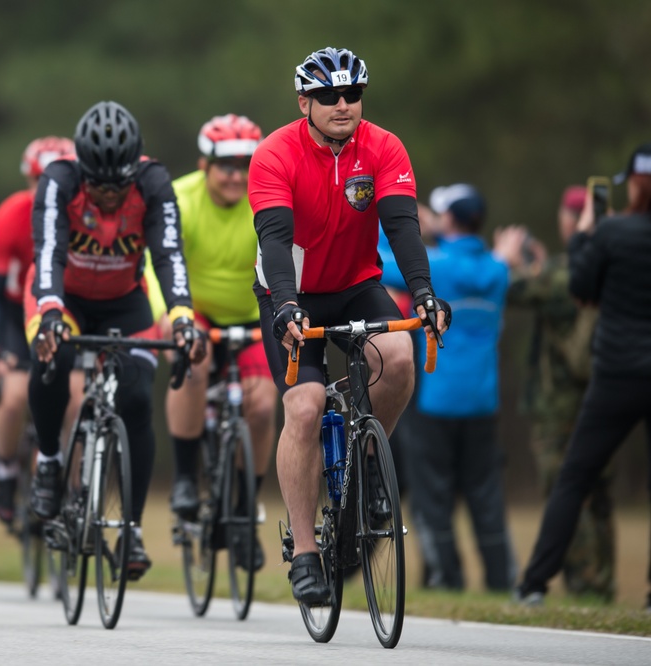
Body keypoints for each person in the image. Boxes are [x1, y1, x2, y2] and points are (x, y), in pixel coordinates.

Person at [248, 47, 450, 605]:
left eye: (352, 95)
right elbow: (275, 239)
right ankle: (307, 553)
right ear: (304, 102)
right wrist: (287, 306)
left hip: (357, 283)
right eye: (328, 96)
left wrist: (426, 294)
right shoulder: (274, 154)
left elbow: (404, 228)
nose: (342, 105)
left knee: (402, 357)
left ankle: (364, 468)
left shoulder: (384, 147)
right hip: (292, 291)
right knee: (306, 407)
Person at [26, 100, 205, 580]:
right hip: (61, 297)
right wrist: (49, 314)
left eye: (117, 185)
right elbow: (48, 255)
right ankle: (48, 460)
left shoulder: (153, 184)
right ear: (82, 169)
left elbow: (169, 255)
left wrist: (183, 316)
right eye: (98, 186)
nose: (108, 196)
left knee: (135, 399)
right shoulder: (59, 181)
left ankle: (131, 526)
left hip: (126, 300)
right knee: (53, 359)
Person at [516, 143, 651, 608]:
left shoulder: (612, 232)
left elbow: (581, 286)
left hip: (616, 373)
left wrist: (587, 235)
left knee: (574, 477)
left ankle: (534, 582)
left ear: (633, 184)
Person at [383, 184, 517, 591]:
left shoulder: (435, 265)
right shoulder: (497, 269)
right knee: (485, 495)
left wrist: (400, 220)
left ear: (450, 220)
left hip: (436, 400)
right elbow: (500, 262)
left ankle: (448, 579)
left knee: (432, 496)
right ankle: (500, 580)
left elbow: (379, 264)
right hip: (482, 400)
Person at [164, 113, 277, 572]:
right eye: (225, 165)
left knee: (265, 406)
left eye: (245, 164)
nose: (236, 175)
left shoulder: (267, 194)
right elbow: (159, 263)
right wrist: (170, 317)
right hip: (197, 311)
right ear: (203, 165)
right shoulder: (179, 199)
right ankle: (187, 478)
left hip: (253, 311)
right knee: (195, 361)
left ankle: (245, 513)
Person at [494, 186, 614, 601]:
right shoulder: (609, 267)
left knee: (567, 489)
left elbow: (510, 291)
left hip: (557, 406)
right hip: (606, 397)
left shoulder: (562, 274)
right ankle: (603, 583)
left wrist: (508, 261)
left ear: (571, 221)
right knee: (600, 496)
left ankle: (586, 587)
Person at [0, 136, 74, 525]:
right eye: (39, 180)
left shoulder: (83, 216)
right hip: (19, 317)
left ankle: (78, 482)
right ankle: (5, 472)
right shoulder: (9, 217)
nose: (47, 190)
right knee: (15, 396)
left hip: (67, 313)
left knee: (77, 397)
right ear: (27, 181)